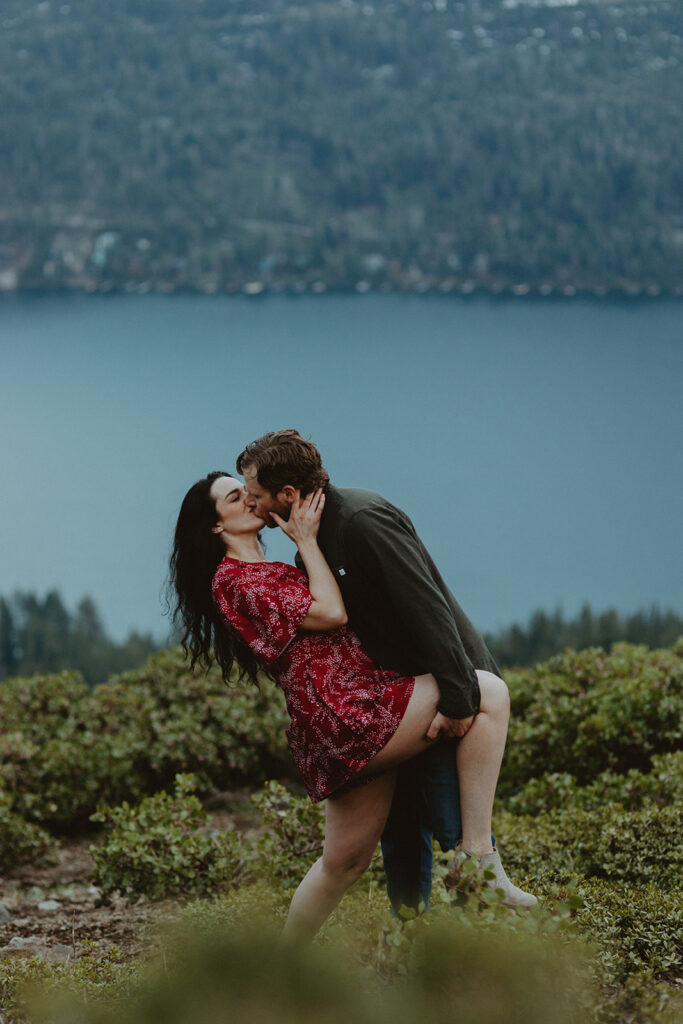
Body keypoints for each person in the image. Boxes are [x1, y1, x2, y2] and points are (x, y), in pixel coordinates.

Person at [170, 468, 536, 941]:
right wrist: (306, 540)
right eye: (236, 497)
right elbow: (331, 612)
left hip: (338, 719)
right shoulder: (236, 580)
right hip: (349, 713)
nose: (249, 502)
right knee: (488, 692)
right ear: (216, 525)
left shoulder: (262, 572)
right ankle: (478, 860)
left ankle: (282, 973)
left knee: (342, 865)